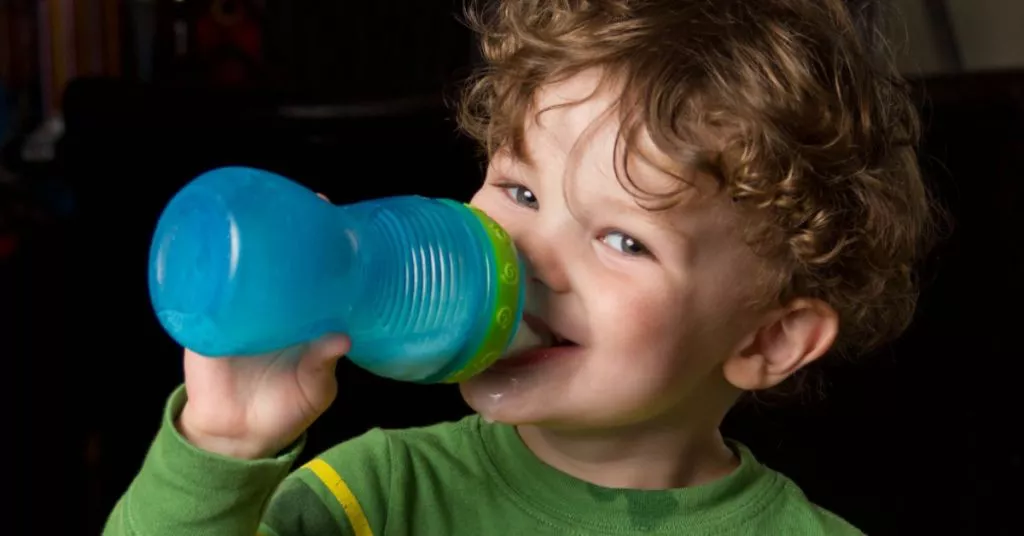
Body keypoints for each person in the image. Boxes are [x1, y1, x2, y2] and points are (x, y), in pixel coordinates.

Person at [104, 0, 935, 534]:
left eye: (622, 240)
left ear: (771, 337)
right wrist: (223, 443)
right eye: (521, 190)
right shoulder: (379, 497)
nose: (528, 255)